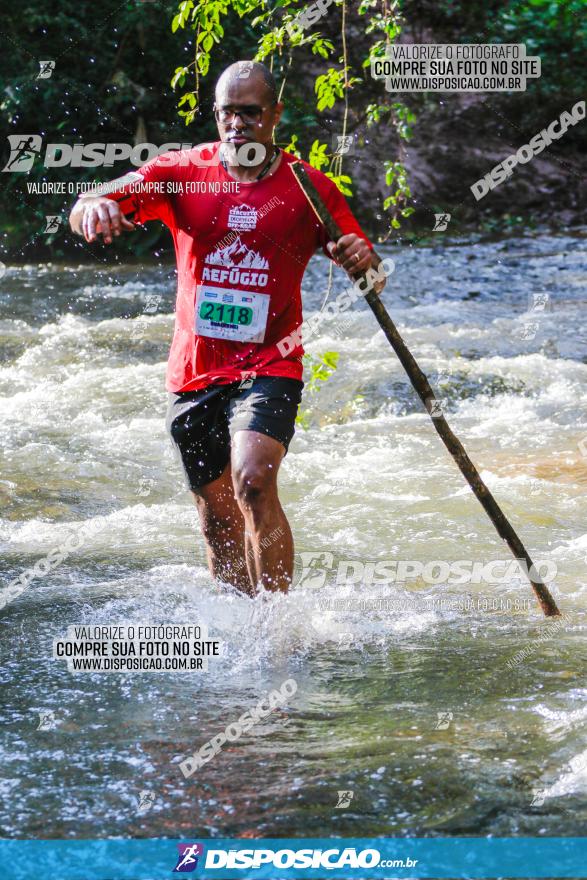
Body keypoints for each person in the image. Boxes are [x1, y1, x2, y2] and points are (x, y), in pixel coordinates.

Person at [69, 60, 386, 597]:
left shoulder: (308, 188)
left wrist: (363, 258)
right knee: (219, 520)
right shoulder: (179, 171)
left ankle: (280, 630)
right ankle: (241, 630)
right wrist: (95, 206)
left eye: (249, 112)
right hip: (195, 371)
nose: (236, 124)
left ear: (275, 115)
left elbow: (370, 277)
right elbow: (86, 206)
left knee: (254, 482)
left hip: (271, 361)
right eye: (226, 113)